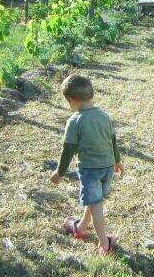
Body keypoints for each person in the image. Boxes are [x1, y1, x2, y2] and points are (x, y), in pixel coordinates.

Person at [50, 74, 124, 256]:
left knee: (96, 207)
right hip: (107, 169)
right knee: (94, 201)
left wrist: (60, 172)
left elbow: (68, 150)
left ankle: (104, 244)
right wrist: (117, 160)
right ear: (92, 94)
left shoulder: (75, 121)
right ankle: (81, 228)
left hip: (90, 171)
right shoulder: (105, 116)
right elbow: (112, 140)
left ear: (70, 100)